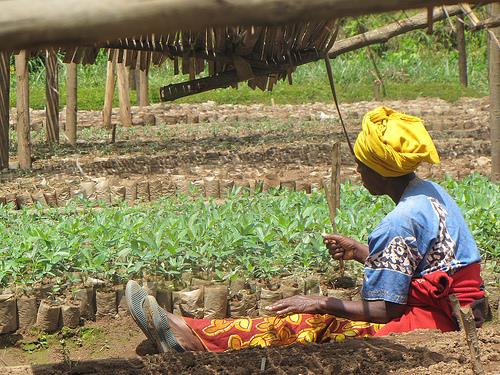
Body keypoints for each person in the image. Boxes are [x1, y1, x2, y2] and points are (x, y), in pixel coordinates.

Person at [126, 106, 485, 353]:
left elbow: (383, 311)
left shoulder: (398, 221)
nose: (358, 173)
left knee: (308, 324)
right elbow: (421, 266)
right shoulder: (430, 193)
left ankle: (192, 337)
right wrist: (361, 251)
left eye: (361, 165)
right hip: (454, 311)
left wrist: (316, 302)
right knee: (317, 317)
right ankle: (191, 330)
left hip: (427, 323)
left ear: (380, 170)